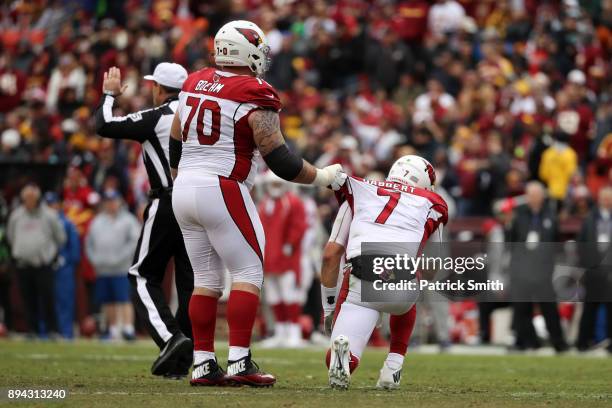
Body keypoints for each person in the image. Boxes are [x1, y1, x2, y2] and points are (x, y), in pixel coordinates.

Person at [169, 20, 345, 387]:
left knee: (205, 279)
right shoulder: (253, 90)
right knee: (248, 273)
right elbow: (280, 160)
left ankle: (203, 362)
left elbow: (175, 138)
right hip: (221, 185)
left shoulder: (193, 81)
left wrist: (180, 175)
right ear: (243, 49)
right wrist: (323, 177)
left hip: (183, 184)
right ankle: (239, 360)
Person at [95, 62, 195, 377]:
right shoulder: (200, 116)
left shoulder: (158, 117)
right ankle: (186, 358)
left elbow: (105, 125)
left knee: (141, 275)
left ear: (158, 88)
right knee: (191, 284)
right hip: (201, 207)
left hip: (167, 202)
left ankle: (170, 338)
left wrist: (109, 96)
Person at [321, 155, 448, 390]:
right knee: (413, 275)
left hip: (361, 278)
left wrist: (328, 308)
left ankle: (346, 356)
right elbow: (433, 264)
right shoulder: (432, 201)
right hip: (401, 285)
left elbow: (331, 254)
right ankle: (394, 365)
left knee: (337, 359)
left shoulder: (359, 190)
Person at [507, 181, 569, 352]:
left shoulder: (550, 215)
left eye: (536, 195)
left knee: (549, 308)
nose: (533, 198)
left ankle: (559, 343)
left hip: (543, 270)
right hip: (522, 270)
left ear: (542, 196)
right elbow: (511, 241)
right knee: (521, 309)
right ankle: (525, 341)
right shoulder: (519, 215)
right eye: (530, 195)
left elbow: (556, 242)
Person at [6, 184, 66, 337]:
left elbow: (60, 237)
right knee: (27, 299)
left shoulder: (49, 215)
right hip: (23, 264)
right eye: (27, 198)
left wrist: (48, 253)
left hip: (43, 263)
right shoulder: (16, 216)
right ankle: (32, 330)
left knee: (48, 298)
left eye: (32, 198)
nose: (30, 201)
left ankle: (53, 330)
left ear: (38, 199)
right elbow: (10, 236)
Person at [257, 171, 308, 348]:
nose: (275, 188)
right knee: (273, 297)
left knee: (290, 296)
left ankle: (294, 332)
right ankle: (280, 332)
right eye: (273, 184)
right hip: (269, 260)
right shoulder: (265, 204)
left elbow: (299, 227)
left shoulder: (293, 202)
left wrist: (290, 245)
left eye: (278, 184)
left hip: (287, 261)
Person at [86, 191, 140, 341]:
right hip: (102, 268)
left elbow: (134, 242)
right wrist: (94, 259)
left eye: (113, 201)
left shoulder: (128, 220)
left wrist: (121, 258)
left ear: (119, 202)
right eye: (108, 201)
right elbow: (89, 243)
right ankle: (113, 329)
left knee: (124, 299)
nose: (110, 204)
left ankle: (128, 328)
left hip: (121, 267)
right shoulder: (97, 221)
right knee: (108, 300)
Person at [576, 186, 612, 353]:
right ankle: (583, 342)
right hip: (593, 269)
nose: (607, 201)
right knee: (589, 307)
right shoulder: (590, 219)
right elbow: (581, 244)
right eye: (604, 197)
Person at [44, 192, 81, 339]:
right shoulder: (42, 222)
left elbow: (74, 250)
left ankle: (65, 333)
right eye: (48, 205)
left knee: (64, 300)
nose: (50, 208)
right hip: (45, 266)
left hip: (63, 268)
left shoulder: (66, 223)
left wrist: (65, 261)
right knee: (45, 300)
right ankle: (45, 332)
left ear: (58, 205)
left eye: (52, 204)